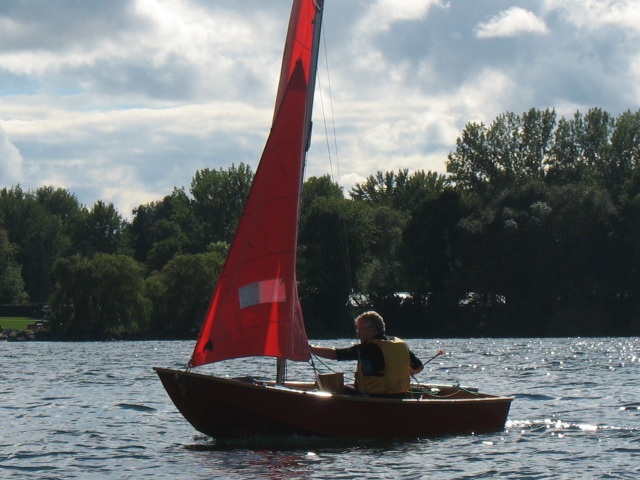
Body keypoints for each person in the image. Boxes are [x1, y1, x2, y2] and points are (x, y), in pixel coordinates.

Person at [309, 311, 423, 397]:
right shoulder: (400, 344)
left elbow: (336, 354)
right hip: (399, 397)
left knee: (331, 386)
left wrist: (310, 349)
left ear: (373, 330)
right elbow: (419, 367)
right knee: (349, 387)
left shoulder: (369, 348)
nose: (358, 334)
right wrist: (404, 372)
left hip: (375, 399)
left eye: (360, 329)